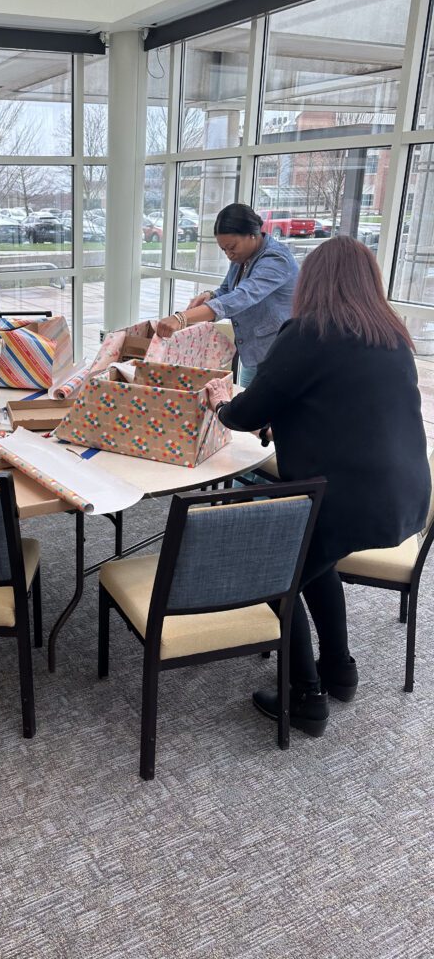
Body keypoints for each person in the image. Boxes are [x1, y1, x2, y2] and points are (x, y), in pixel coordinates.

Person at [205, 236, 430, 737]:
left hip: (345, 501)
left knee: (271, 569)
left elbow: (246, 412)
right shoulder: (391, 335)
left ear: (313, 282)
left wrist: (222, 399)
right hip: (405, 498)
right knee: (313, 562)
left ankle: (304, 696)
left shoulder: (309, 332)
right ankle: (339, 669)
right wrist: (281, 418)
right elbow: (343, 409)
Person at [156, 203, 299, 386]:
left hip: (279, 354)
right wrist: (210, 295)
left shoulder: (276, 260)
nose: (229, 255)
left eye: (232, 247)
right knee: (248, 405)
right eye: (224, 250)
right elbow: (227, 289)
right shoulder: (243, 256)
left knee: (263, 410)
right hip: (254, 352)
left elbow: (241, 296)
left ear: (251, 234)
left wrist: (182, 318)